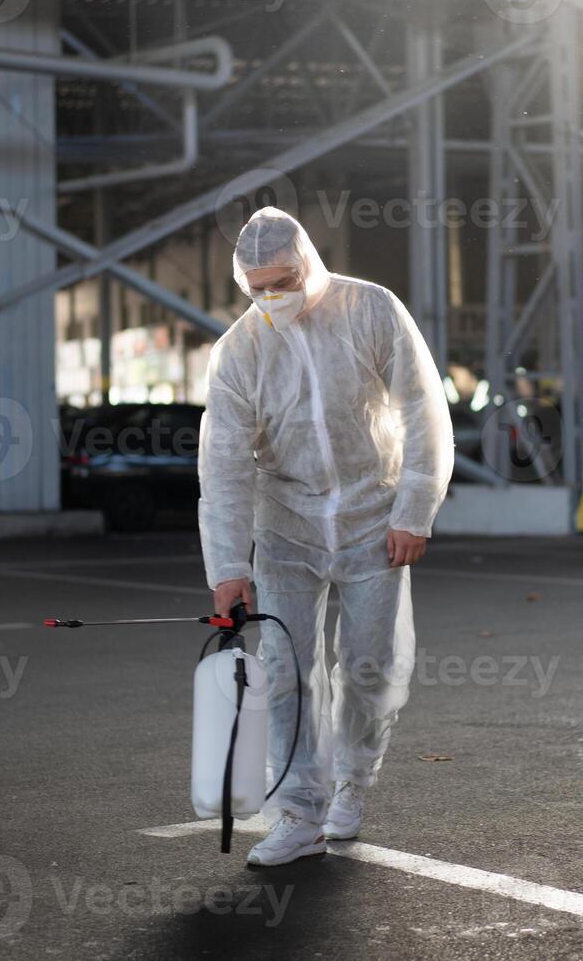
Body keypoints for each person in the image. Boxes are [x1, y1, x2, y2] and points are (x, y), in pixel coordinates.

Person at [198, 206, 454, 866]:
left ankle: (353, 782)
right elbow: (223, 466)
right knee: (285, 671)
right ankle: (301, 814)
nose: (272, 296)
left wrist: (414, 509)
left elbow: (423, 406)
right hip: (285, 524)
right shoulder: (239, 351)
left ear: (308, 262)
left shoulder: (371, 309)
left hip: (374, 515)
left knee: (367, 666)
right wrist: (229, 567)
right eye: (258, 287)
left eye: (283, 280)